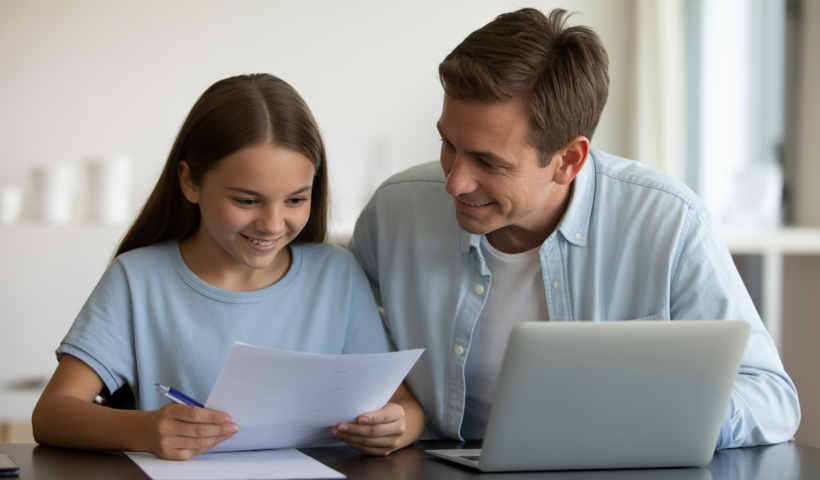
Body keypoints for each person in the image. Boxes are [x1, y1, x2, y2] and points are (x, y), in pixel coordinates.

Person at [348, 9, 800, 448]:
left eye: (489, 162)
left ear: (568, 160)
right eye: (448, 144)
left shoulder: (669, 222)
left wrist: (667, 422)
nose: (455, 182)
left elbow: (770, 396)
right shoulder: (395, 211)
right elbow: (344, 338)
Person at [32, 74, 423, 460]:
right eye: (247, 201)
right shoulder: (138, 279)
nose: (272, 224)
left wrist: (397, 426)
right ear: (190, 182)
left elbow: (404, 404)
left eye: (295, 200)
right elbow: (52, 413)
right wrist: (145, 429)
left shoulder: (338, 274)